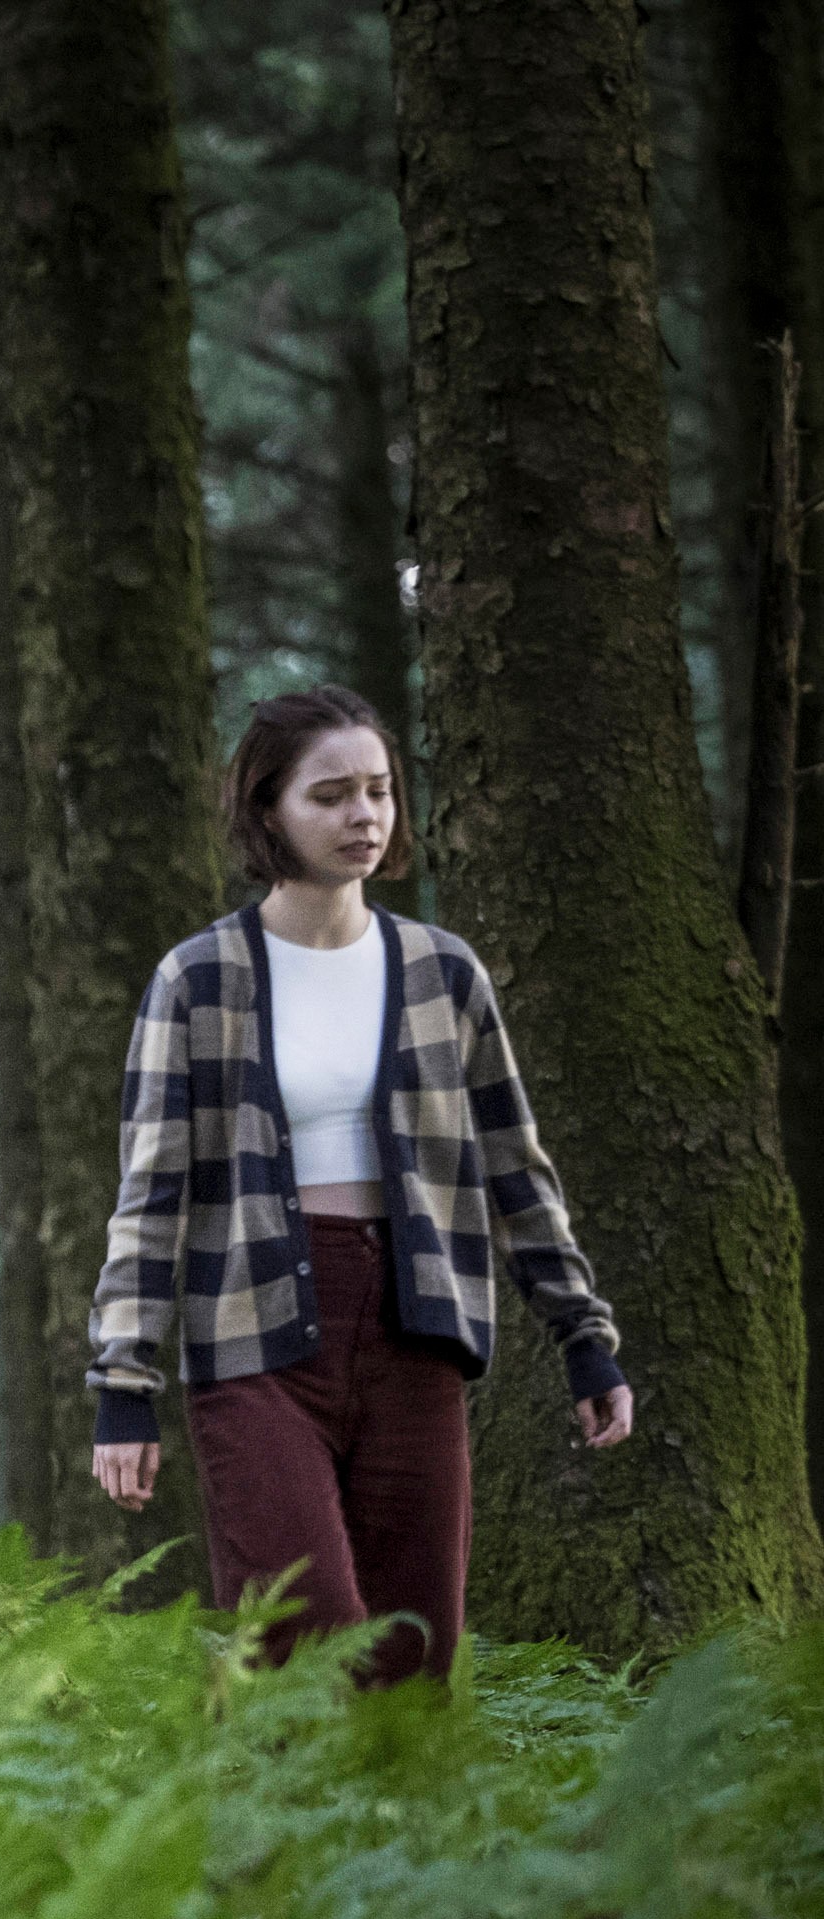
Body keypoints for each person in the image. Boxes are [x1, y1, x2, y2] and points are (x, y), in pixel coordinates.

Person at [84, 684, 633, 1682]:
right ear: (266, 812)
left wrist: (582, 1338)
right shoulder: (197, 980)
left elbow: (513, 1165)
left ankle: (390, 1839)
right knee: (307, 1631)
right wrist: (124, 1385)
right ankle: (249, 1822)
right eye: (329, 795)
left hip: (413, 1326)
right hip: (253, 1332)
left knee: (410, 1654)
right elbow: (149, 1194)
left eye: (377, 791)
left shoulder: (441, 974)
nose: (363, 817)